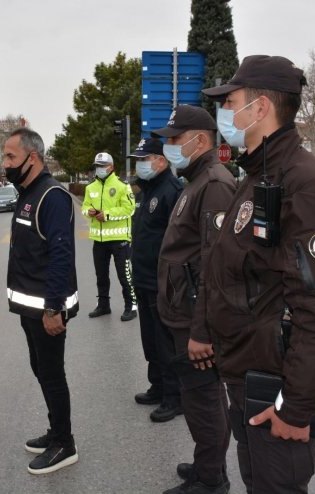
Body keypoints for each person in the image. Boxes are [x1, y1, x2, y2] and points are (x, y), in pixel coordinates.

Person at [201, 55, 315, 493]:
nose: (224, 113)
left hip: (276, 386)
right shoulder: (258, 175)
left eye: (229, 102)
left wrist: (295, 408)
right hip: (247, 372)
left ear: (261, 107)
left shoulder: (306, 184)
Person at [152, 105, 236, 494]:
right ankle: (208, 463)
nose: (168, 145)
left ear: (199, 139)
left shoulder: (214, 184)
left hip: (194, 320)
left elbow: (214, 266)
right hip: (183, 313)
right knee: (200, 397)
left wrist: (202, 330)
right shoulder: (197, 180)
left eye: (173, 139)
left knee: (204, 400)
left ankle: (211, 478)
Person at [4, 128, 80, 475]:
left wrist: (53, 308)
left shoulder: (51, 196)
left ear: (32, 158)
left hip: (46, 310)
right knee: (41, 369)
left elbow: (60, 257)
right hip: (30, 307)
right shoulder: (28, 192)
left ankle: (65, 444)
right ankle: (55, 432)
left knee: (51, 374)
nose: (5, 164)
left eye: (10, 157)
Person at [129, 138, 184, 423]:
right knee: (150, 340)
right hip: (143, 278)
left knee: (165, 342)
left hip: (161, 282)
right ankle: (158, 386)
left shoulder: (171, 191)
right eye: (138, 159)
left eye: (145, 159)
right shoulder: (145, 191)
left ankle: (175, 397)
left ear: (161, 161)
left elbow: (178, 241)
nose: (140, 164)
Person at [81, 152, 137, 321]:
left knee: (124, 275)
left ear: (111, 167)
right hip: (99, 241)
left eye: (102, 166)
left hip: (119, 239)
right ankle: (104, 305)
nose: (99, 169)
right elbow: (84, 207)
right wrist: (89, 212)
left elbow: (129, 209)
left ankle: (131, 306)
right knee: (101, 276)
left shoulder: (122, 185)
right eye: (97, 166)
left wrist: (107, 215)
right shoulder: (90, 187)